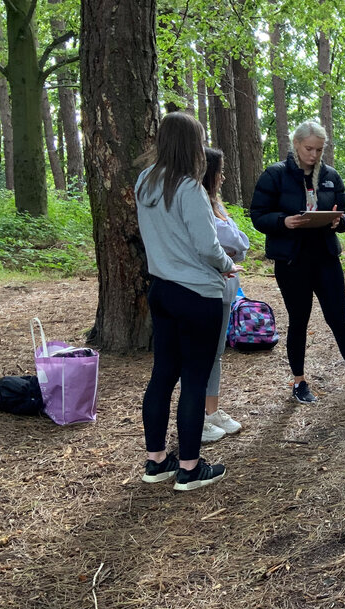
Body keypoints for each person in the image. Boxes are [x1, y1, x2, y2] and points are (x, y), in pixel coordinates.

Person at [137, 112, 238, 492]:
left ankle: (157, 460)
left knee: (162, 375)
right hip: (197, 294)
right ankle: (191, 468)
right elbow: (208, 246)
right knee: (194, 379)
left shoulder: (146, 182)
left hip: (161, 289)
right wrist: (228, 265)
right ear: (193, 145)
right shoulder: (189, 189)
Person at [250, 120, 345, 403]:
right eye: (309, 149)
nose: (314, 155)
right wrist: (284, 222)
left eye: (319, 150)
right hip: (292, 261)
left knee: (339, 319)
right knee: (298, 320)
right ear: (296, 144)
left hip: (326, 258)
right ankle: (299, 382)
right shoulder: (275, 175)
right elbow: (258, 215)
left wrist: (338, 221)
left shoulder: (330, 175)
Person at [200, 147, 249, 443]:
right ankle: (196, 417)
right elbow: (227, 240)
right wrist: (231, 247)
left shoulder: (218, 205)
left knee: (216, 354)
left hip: (226, 287)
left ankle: (212, 412)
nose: (224, 177)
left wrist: (233, 246)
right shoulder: (199, 204)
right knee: (202, 354)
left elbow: (240, 243)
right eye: (220, 171)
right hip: (207, 288)